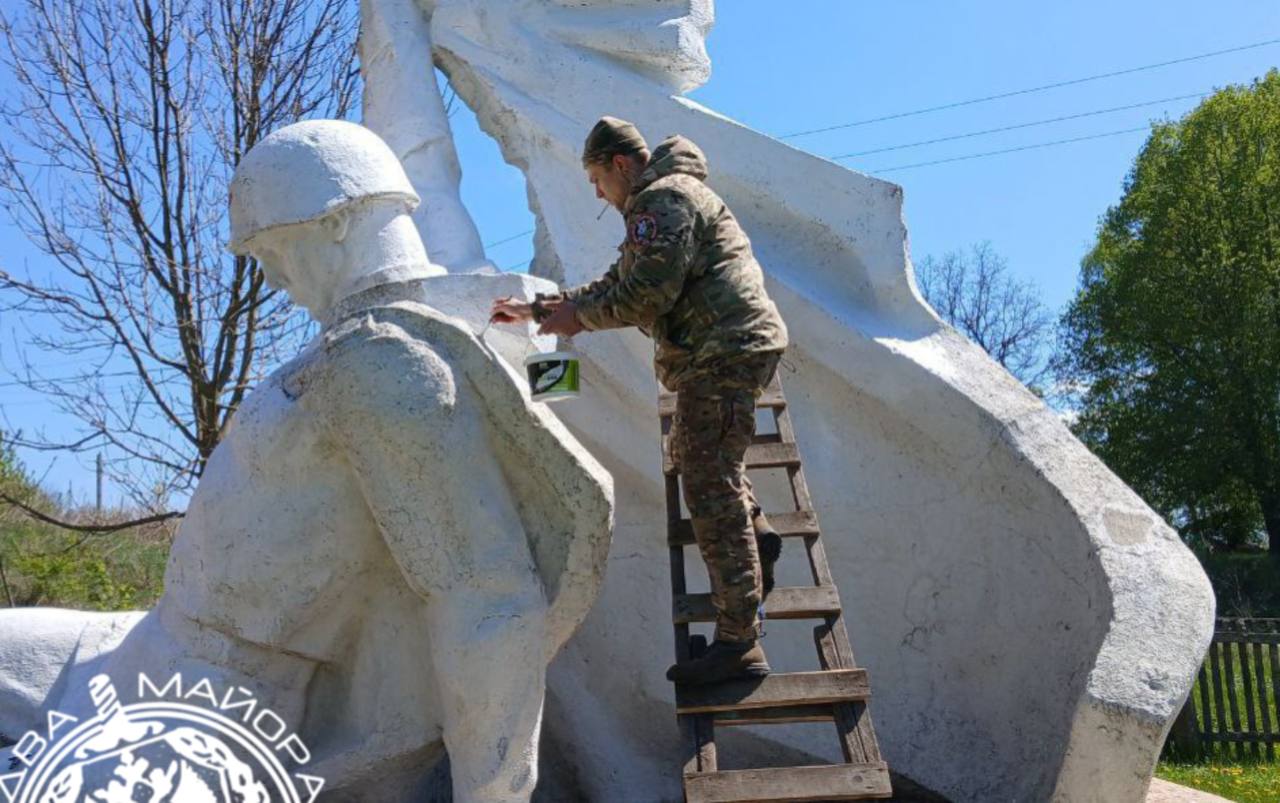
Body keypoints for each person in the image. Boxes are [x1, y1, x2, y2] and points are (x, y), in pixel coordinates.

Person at [491, 116, 789, 685]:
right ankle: (759, 533)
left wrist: (578, 318)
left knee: (708, 483)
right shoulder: (660, 204)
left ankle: (740, 642)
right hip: (722, 346)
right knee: (697, 457)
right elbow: (615, 284)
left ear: (621, 165)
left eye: (597, 180)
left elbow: (647, 294)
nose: (597, 193)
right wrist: (538, 310)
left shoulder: (662, 200)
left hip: (721, 348)